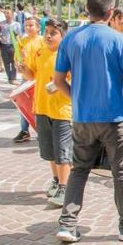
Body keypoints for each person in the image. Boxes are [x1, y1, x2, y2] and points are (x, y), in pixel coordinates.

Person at [53, 0, 123, 243]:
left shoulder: (71, 38)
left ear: (88, 9)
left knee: (79, 169)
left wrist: (76, 97)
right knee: (121, 171)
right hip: (114, 116)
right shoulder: (120, 40)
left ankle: (67, 224)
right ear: (110, 12)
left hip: (82, 118)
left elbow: (58, 80)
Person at [19, 18, 72, 207]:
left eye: (53, 33)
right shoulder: (40, 51)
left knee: (63, 151)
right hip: (41, 107)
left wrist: (58, 86)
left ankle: (65, 187)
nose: (48, 36)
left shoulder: (68, 55)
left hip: (63, 109)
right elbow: (32, 75)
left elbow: (75, 81)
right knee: (49, 151)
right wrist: (24, 69)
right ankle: (57, 180)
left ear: (63, 36)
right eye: (47, 31)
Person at [13, 17, 44, 143]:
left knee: (38, 106)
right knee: (24, 105)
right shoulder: (22, 41)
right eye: (26, 25)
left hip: (39, 78)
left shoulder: (42, 41)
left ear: (38, 27)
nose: (28, 28)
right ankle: (24, 130)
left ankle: (41, 130)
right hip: (26, 78)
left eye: (31, 25)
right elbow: (17, 58)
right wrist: (19, 63)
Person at [0, 9, 21, 85]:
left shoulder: (17, 24)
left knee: (14, 62)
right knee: (6, 63)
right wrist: (0, 38)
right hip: (4, 45)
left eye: (8, 13)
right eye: (5, 13)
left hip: (13, 45)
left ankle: (13, 78)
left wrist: (19, 45)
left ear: (12, 15)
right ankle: (9, 78)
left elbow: (19, 35)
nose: (6, 15)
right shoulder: (1, 24)